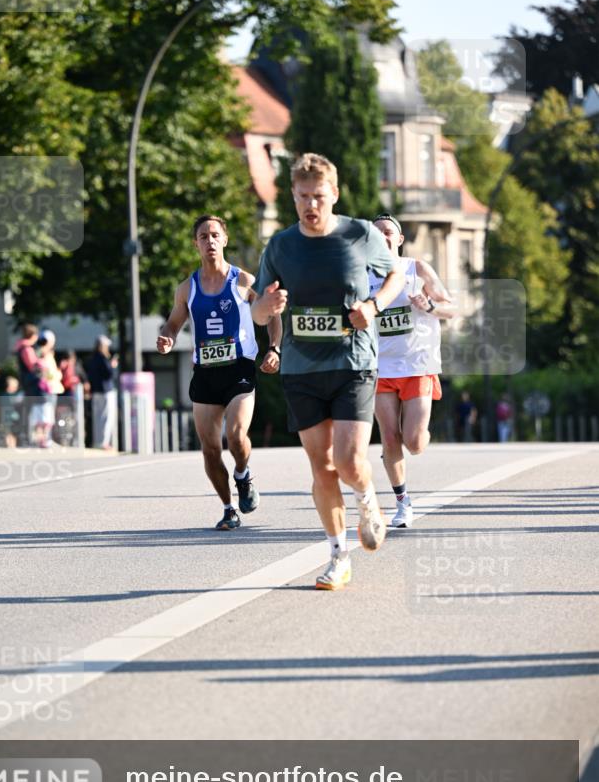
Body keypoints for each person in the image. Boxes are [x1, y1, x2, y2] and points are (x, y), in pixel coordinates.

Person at [250, 154, 405, 591]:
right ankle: (338, 555)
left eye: (318, 196)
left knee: (350, 461)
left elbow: (394, 275)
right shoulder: (281, 245)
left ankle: (368, 500)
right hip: (302, 371)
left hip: (353, 363)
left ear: (333, 194)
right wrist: (268, 307)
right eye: (302, 197)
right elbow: (259, 311)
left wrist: (372, 307)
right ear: (293, 197)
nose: (310, 205)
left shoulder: (361, 234)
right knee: (321, 467)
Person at [157, 214, 282, 530]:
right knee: (210, 449)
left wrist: (274, 348)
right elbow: (174, 322)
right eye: (203, 236)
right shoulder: (187, 288)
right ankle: (228, 508)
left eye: (215, 235)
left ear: (224, 240)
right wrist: (167, 336)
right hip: (205, 372)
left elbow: (273, 313)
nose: (210, 241)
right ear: (195, 244)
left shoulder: (244, 281)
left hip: (239, 368)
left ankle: (242, 472)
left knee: (236, 436)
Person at [370, 213, 454, 529]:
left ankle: (418, 435)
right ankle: (403, 502)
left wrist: (429, 307)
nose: (383, 236)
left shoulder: (416, 269)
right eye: (376, 233)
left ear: (399, 239)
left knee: (414, 442)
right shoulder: (362, 276)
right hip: (380, 368)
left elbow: (451, 307)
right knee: (389, 437)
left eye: (388, 232)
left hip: (418, 365)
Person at [31, 329, 63, 448]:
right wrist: (58, 374)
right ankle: (44, 439)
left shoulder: (41, 353)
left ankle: (43, 439)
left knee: (44, 415)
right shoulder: (44, 354)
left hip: (48, 388)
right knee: (45, 415)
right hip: (47, 388)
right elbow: (48, 373)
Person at [86, 336, 118, 450]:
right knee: (106, 417)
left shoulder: (92, 358)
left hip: (95, 391)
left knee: (97, 417)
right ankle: (103, 442)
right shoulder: (103, 358)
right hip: (105, 391)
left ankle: (97, 442)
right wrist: (113, 366)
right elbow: (108, 374)